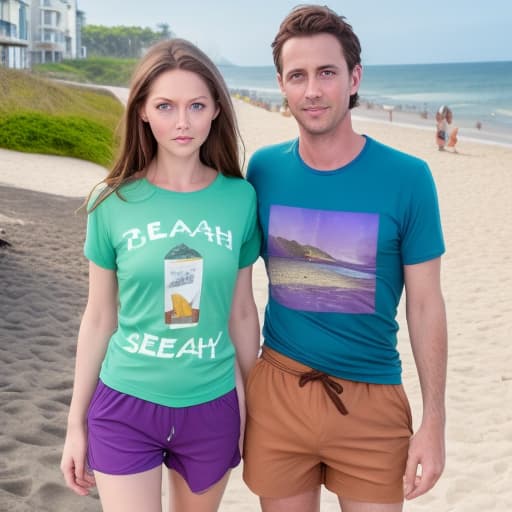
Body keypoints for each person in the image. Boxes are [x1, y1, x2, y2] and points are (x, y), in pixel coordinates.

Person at [243, 5, 447, 512]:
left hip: (372, 400)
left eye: (326, 72)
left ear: (354, 78)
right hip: (279, 391)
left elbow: (425, 306)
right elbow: (239, 295)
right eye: (298, 76)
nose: (312, 90)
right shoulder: (263, 170)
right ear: (282, 86)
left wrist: (435, 421)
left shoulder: (409, 177)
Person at [60, 38, 261, 512]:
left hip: (212, 406)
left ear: (216, 110)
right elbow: (98, 317)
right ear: (143, 113)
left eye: (196, 105)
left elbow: (243, 311)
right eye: (166, 106)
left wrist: (255, 409)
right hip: (124, 404)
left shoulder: (240, 199)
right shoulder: (111, 201)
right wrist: (75, 423)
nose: (183, 121)